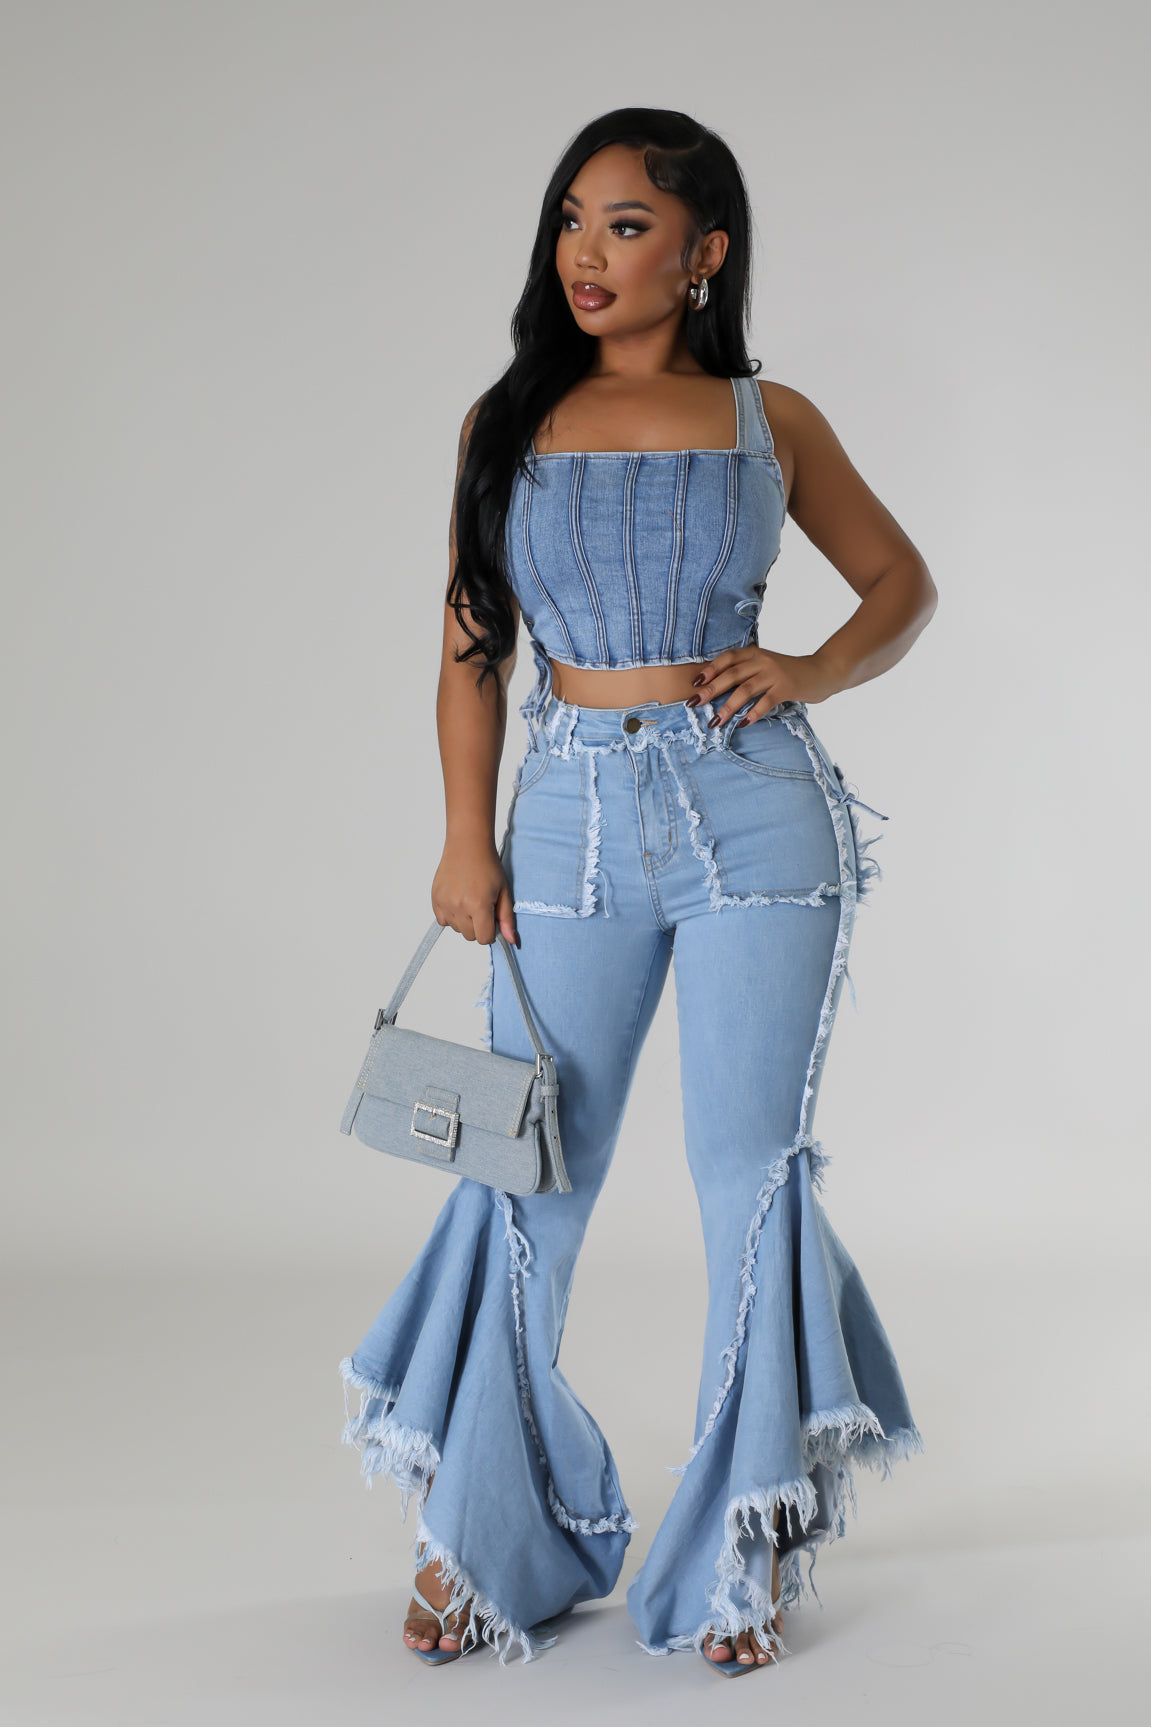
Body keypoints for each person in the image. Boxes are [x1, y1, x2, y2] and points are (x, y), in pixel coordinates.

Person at [339, 106, 936, 1676]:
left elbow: (901, 582)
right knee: (530, 1172)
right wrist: (464, 839)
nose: (586, 255)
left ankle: (747, 1543)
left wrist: (811, 667)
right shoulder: (505, 421)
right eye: (571, 221)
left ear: (704, 251)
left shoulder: (768, 417)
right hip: (567, 828)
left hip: (760, 821)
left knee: (749, 1174)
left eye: (625, 225)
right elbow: (472, 649)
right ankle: (477, 1536)